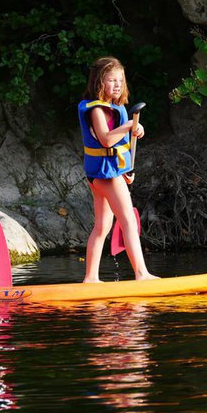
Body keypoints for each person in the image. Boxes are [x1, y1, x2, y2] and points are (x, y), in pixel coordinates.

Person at [77, 56, 158, 283]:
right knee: (128, 222)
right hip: (106, 175)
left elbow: (120, 142)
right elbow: (105, 140)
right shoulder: (97, 110)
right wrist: (129, 125)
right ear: (98, 83)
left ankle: (91, 278)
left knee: (102, 226)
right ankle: (141, 274)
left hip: (108, 173)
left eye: (120, 80)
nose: (117, 85)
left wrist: (135, 129)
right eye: (111, 80)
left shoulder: (116, 108)